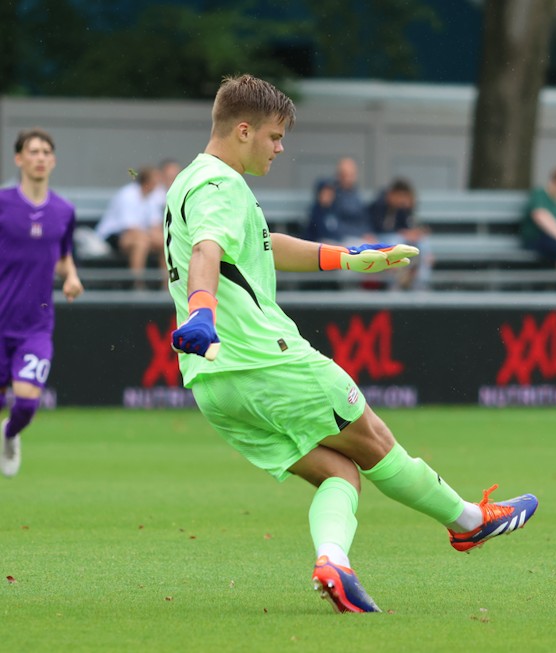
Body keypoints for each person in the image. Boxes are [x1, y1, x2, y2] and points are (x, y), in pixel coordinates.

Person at [165, 74, 537, 613]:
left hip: (213, 385)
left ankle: (333, 562)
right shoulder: (222, 186)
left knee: (340, 474)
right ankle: (470, 522)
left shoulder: (191, 181)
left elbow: (260, 247)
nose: (280, 146)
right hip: (267, 362)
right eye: (273, 136)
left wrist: (348, 256)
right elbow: (207, 250)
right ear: (242, 130)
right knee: (375, 439)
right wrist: (203, 312)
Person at [0, 128, 84, 478]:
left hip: (35, 326)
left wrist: (72, 276)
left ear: (53, 160)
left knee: (28, 400)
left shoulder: (64, 211)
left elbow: (61, 255)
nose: (39, 157)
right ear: (19, 158)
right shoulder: (3, 204)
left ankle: (9, 435)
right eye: (32, 151)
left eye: (45, 152)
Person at [95, 165, 165, 288]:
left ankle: (168, 285)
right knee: (141, 243)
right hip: (111, 237)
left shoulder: (154, 197)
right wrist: (150, 237)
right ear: (147, 182)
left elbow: (155, 226)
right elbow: (130, 229)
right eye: (156, 181)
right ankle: (137, 284)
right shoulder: (127, 195)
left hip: (140, 235)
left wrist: (158, 238)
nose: (159, 184)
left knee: (165, 242)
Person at [367, 177, 434, 290]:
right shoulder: (379, 206)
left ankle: (420, 285)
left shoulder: (402, 209)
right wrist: (404, 234)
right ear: (392, 194)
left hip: (398, 240)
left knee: (423, 244)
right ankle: (395, 285)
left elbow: (408, 227)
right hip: (380, 240)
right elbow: (380, 229)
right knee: (396, 242)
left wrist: (414, 233)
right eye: (400, 195)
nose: (402, 200)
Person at [305, 157, 372, 245]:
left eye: (351, 175)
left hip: (352, 238)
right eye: (345, 175)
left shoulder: (355, 195)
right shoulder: (333, 196)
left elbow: (363, 220)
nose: (348, 179)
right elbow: (330, 226)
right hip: (336, 240)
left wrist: (366, 233)